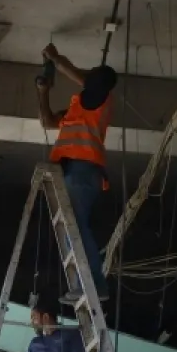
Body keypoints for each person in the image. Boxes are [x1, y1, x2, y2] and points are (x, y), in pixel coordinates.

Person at [36, 44, 117, 304]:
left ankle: (92, 284)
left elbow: (89, 80)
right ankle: (90, 284)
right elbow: (47, 121)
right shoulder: (78, 109)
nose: (87, 75)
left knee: (77, 229)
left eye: (92, 74)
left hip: (82, 171)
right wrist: (43, 92)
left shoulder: (98, 100)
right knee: (75, 228)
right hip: (73, 172)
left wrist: (57, 59)